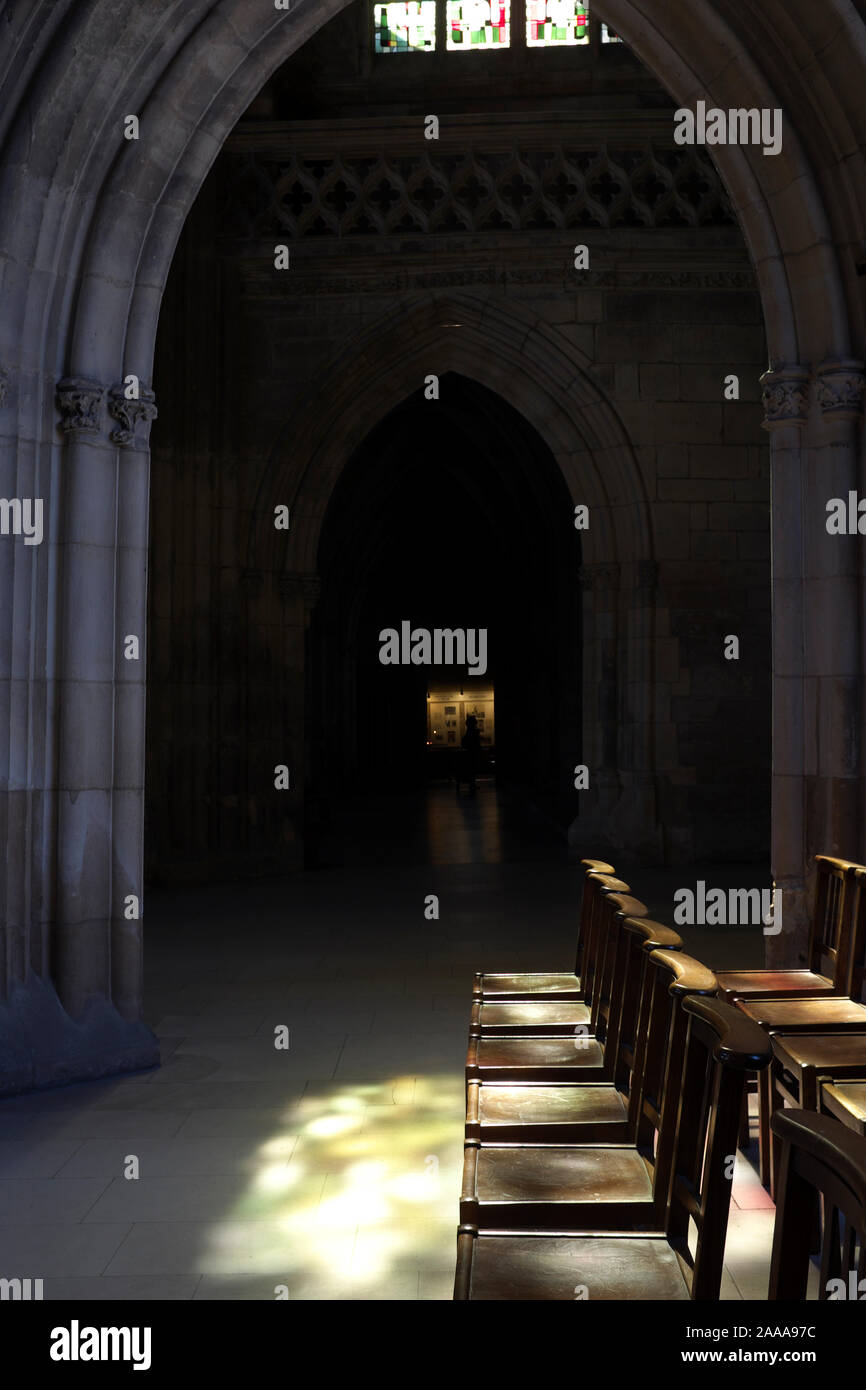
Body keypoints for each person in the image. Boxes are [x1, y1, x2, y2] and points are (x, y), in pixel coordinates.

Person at [458, 714, 482, 795]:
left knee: (472, 769)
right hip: (473, 752)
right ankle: (472, 784)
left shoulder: (469, 730)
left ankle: (472, 784)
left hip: (470, 752)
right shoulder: (473, 731)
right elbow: (475, 742)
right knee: (473, 768)